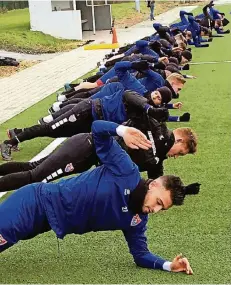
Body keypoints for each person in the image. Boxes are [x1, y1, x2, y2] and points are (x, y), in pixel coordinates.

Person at [0, 120, 194, 275]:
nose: (155, 210)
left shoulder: (136, 221)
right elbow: (97, 130)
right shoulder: (126, 170)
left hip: (42, 224)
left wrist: (169, 265)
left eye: (162, 208)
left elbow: (141, 255)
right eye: (159, 202)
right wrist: (122, 130)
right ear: (153, 185)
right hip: (34, 203)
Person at [0, 116, 198, 190]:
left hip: (84, 156)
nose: (176, 156)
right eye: (180, 152)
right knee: (35, 177)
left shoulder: (157, 161)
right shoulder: (154, 126)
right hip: (84, 147)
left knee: (33, 168)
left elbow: (157, 184)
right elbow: (130, 97)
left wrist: (183, 190)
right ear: (179, 140)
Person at [0, 88, 170, 161]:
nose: (155, 97)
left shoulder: (143, 113)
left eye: (158, 99)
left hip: (91, 123)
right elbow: (128, 96)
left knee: (53, 132)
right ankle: (9, 142)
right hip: (87, 110)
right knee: (50, 127)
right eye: (156, 94)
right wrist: (149, 109)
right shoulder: (138, 96)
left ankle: (18, 132)